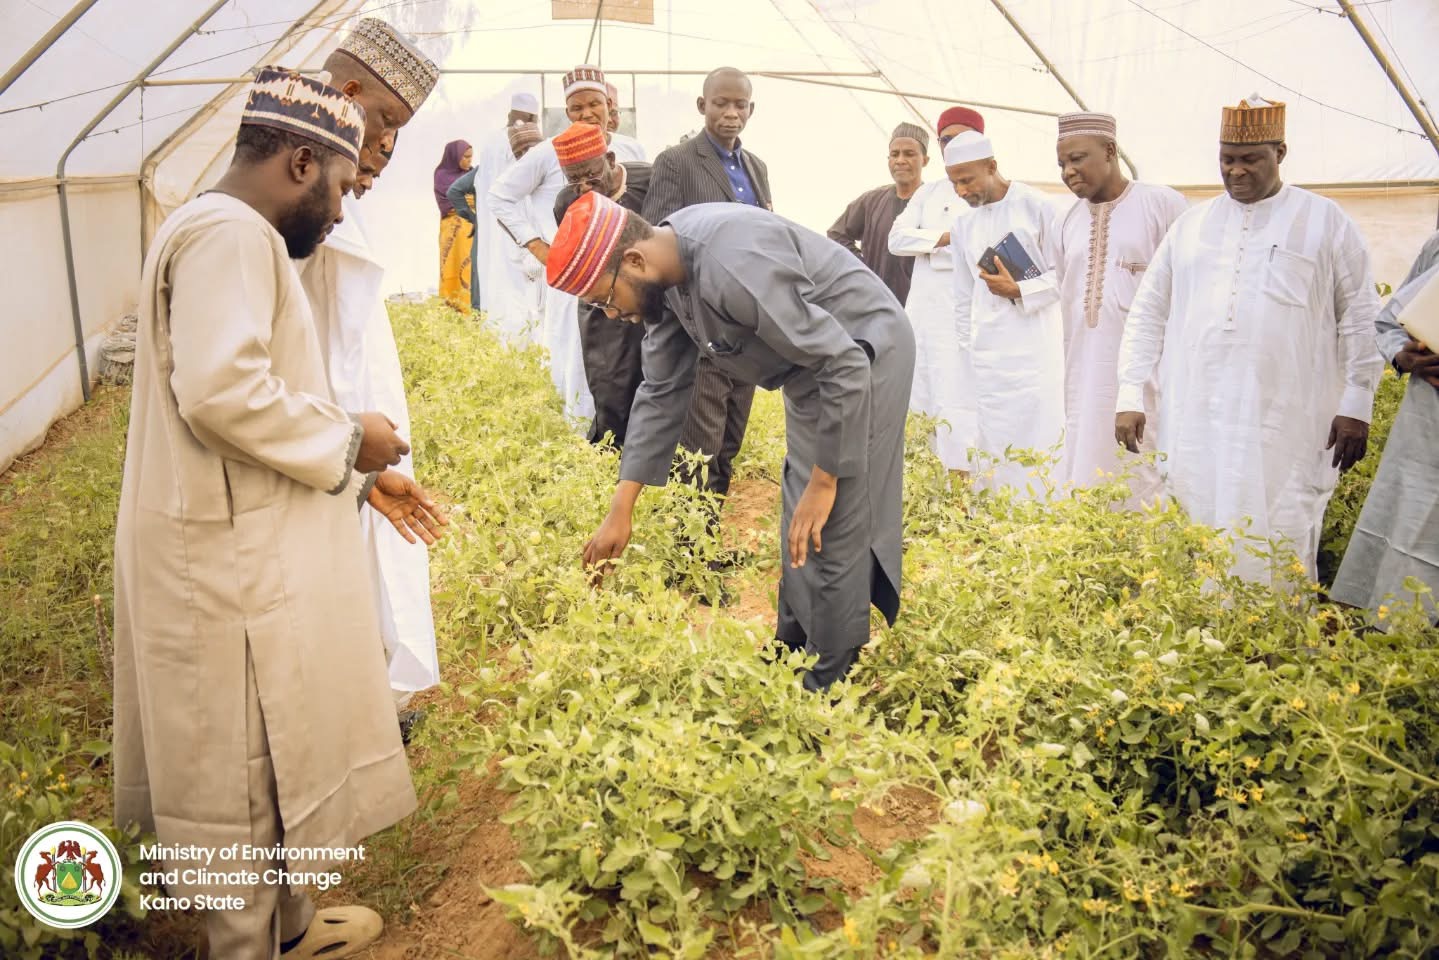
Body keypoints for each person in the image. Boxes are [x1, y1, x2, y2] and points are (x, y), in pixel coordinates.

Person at [114, 69, 442, 960]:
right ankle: (249, 945)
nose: (339, 213)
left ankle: (292, 927)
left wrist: (361, 478)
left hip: (236, 540)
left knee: (269, 749)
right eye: (338, 188)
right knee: (236, 772)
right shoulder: (230, 235)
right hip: (221, 562)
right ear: (301, 161)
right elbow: (223, 391)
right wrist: (352, 440)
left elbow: (245, 391)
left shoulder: (213, 227)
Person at [551, 192, 914, 690]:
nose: (611, 315)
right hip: (815, 367)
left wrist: (828, 478)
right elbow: (659, 391)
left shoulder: (732, 265)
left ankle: (829, 676)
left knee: (835, 516)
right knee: (797, 507)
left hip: (863, 354)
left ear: (633, 260)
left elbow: (843, 362)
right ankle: (791, 648)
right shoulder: (667, 272)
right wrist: (622, 508)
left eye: (606, 299)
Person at [1116, 96, 1383, 583]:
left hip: (1290, 418)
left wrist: (1357, 402)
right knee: (1199, 519)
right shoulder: (1190, 226)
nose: (1235, 171)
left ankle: (1274, 644)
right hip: (1200, 414)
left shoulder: (1326, 221)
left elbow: (1361, 316)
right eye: (1226, 159)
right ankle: (1205, 641)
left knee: (1282, 524)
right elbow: (1148, 312)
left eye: (1250, 159)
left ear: (1280, 152)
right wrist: (1130, 392)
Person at [299, 17, 445, 741]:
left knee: (366, 571)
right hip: (319, 442)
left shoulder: (333, 193)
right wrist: (345, 441)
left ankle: (366, 705)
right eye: (384, 122)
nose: (386, 146)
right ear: (348, 90)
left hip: (349, 441)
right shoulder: (283, 201)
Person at [643, 66, 774, 555]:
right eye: (721, 103)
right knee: (698, 445)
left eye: (740, 105)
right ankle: (686, 553)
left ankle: (707, 544)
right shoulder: (677, 162)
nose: (731, 113)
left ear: (751, 110)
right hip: (702, 329)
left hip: (745, 328)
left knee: (729, 442)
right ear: (702, 106)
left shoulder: (756, 167)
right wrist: (693, 323)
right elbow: (656, 241)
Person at [1050, 112, 1186, 504]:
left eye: (1077, 158)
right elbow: (1067, 293)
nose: (1068, 171)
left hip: (1149, 374)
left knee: (1144, 472)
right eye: (1061, 164)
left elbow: (1185, 288)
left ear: (1110, 151)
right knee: (1087, 468)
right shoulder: (1067, 221)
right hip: (1083, 372)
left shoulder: (1162, 204)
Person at [489, 64, 634, 421]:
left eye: (594, 104)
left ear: (609, 106)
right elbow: (499, 197)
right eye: (576, 108)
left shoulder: (632, 148)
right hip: (574, 280)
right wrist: (541, 248)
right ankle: (579, 437)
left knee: (625, 359)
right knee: (574, 360)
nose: (586, 114)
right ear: (566, 112)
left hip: (625, 280)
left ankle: (622, 437)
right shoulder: (548, 152)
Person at [1329, 231, 1439, 622]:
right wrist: (1404, 355)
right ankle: (1389, 653)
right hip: (1426, 432)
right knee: (1404, 534)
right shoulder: (1438, 243)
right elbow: (1388, 322)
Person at [947, 130, 1064, 496]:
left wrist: (1021, 289)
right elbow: (962, 296)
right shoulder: (962, 225)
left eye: (967, 180)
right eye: (954, 183)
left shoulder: (1040, 207)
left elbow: (1068, 277)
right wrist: (967, 352)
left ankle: (1045, 511)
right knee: (993, 437)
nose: (961, 191)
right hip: (987, 355)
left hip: (1036, 349)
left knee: (1039, 433)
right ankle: (995, 515)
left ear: (992, 166)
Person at [887, 106, 983, 472]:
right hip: (922, 315)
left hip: (964, 314)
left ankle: (966, 486)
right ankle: (927, 484)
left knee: (960, 399)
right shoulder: (928, 194)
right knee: (920, 393)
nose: (951, 145)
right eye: (945, 139)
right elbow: (897, 239)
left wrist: (929, 243)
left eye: (960, 138)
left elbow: (980, 245)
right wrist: (944, 238)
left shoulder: (991, 190)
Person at [551, 122, 652, 449]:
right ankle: (614, 464)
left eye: (591, 177)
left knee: (652, 380)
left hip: (650, 302)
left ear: (609, 158)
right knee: (611, 390)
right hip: (603, 309)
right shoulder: (567, 202)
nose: (583, 189)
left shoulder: (650, 181)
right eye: (573, 179)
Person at [451, 118, 545, 343]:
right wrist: (475, 219)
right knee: (507, 302)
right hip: (513, 249)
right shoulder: (496, 177)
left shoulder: (536, 175)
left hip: (529, 252)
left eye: (530, 151)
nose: (525, 156)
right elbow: (455, 191)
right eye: (521, 152)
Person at [828, 122, 929, 304]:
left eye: (909, 154)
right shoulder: (872, 200)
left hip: (918, 309)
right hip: (872, 304)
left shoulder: (935, 203)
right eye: (894, 154)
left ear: (925, 160)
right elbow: (836, 235)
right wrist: (862, 268)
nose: (900, 160)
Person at [462, 92, 539, 314]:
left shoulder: (490, 142)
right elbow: (524, 188)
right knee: (519, 285)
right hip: (514, 222)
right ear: (533, 119)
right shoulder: (522, 141)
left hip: (490, 220)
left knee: (494, 278)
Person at [435, 140, 473, 311]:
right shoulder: (442, 175)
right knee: (451, 267)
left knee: (470, 268)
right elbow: (448, 201)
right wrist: (467, 200)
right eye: (465, 157)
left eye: (471, 157)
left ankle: (470, 309)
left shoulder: (474, 174)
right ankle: (451, 310)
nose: (469, 161)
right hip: (451, 230)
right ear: (454, 157)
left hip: (472, 230)